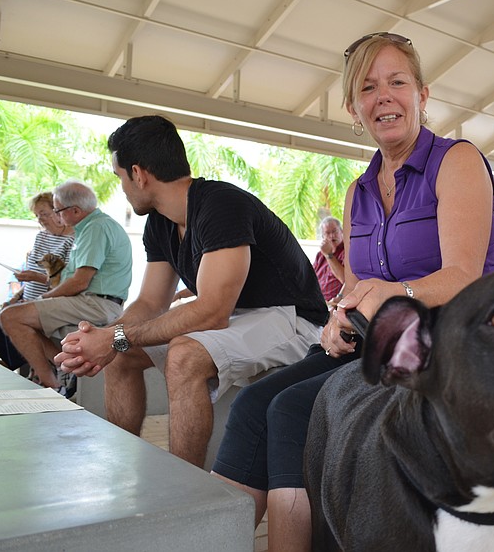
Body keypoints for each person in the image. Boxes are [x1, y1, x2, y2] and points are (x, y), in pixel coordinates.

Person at [210, 32, 494, 550]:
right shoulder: (358, 190)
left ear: (422, 95)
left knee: (292, 410)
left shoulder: (456, 161)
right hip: (375, 344)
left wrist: (393, 293)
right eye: (368, 88)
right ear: (353, 107)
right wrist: (336, 319)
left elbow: (464, 277)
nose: (383, 97)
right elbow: (352, 285)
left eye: (397, 83)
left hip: (450, 345)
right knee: (254, 403)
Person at [54, 115, 328, 468]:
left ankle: (185, 487)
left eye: (119, 177)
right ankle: (120, 469)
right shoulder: (160, 222)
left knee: (184, 355)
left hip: (293, 319)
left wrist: (116, 337)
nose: (122, 187)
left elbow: (212, 311)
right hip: (238, 318)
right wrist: (105, 337)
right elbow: (150, 302)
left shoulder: (221, 204)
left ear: (138, 174)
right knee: (121, 353)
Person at [0, 181, 131, 389]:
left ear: (75, 210)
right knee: (18, 317)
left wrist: (42, 298)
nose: (56, 216)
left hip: (97, 304)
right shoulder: (89, 228)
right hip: (89, 301)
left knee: (10, 316)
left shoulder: (95, 228)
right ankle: (63, 370)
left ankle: (50, 384)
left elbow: (80, 281)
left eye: (57, 210)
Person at [0, 192, 75, 376]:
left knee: (9, 322)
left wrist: (35, 278)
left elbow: (63, 282)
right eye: (37, 215)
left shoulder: (72, 241)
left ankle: (31, 370)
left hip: (47, 302)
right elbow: (31, 273)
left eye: (44, 214)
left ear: (58, 212)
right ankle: (18, 367)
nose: (41, 219)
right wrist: (16, 298)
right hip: (27, 298)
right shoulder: (41, 237)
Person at [312, 216, 345, 305]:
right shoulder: (320, 255)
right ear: (323, 237)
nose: (331, 236)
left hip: (333, 304)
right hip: (315, 301)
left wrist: (329, 255)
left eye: (334, 231)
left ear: (341, 231)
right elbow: (311, 278)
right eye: (327, 233)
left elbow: (345, 279)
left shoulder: (346, 252)